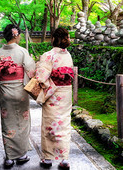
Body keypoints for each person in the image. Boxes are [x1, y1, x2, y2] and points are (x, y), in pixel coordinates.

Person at [0, 24, 36, 168]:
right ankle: (22, 155)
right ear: (16, 35)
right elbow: (31, 71)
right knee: (22, 121)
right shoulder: (23, 51)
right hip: (21, 91)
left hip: (6, 91)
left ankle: (9, 157)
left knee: (7, 123)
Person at [35, 27, 74, 170]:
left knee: (50, 124)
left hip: (53, 94)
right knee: (64, 124)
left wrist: (38, 67)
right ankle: (64, 159)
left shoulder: (48, 55)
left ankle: (47, 158)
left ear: (53, 39)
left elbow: (41, 77)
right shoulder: (68, 55)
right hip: (66, 93)